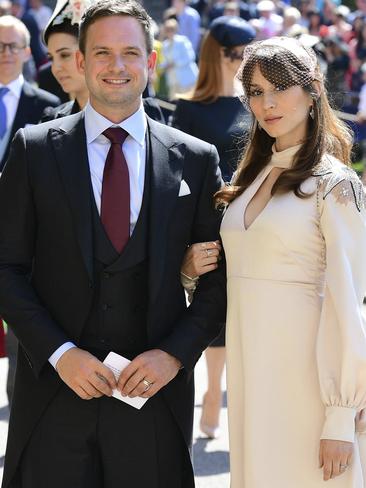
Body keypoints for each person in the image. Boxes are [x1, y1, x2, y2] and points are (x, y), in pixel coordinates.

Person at [0, 1, 226, 487]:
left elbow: (219, 283)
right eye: (101, 52)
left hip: (153, 402)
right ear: (80, 62)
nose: (116, 66)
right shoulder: (33, 148)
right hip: (52, 399)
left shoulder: (195, 159)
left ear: (151, 60)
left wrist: (174, 355)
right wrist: (60, 353)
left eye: (130, 52)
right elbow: (5, 267)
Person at [182, 36, 366, 487]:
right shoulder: (250, 179)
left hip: (307, 384)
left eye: (280, 87)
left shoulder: (334, 184)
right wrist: (189, 271)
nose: (268, 102)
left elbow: (349, 302)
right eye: (257, 91)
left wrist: (341, 416)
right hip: (251, 376)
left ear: (314, 88)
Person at [172, 15, 254, 439]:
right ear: (214, 53)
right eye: (236, 53)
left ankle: (224, 393)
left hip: (255, 225)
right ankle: (211, 391)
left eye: (248, 53)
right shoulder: (188, 108)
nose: (243, 61)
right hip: (210, 226)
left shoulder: (255, 104)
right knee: (214, 307)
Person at [41, 0, 166, 123]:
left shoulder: (151, 116)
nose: (56, 67)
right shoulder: (52, 122)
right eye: (51, 58)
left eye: (65, 55)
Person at [0, 15, 60, 172]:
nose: (6, 53)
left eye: (13, 46)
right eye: (0, 46)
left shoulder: (48, 105)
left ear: (27, 53)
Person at [160, 18, 198, 100]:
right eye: (167, 30)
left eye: (171, 29)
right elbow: (163, 62)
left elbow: (190, 57)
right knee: (175, 105)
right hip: (173, 81)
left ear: (176, 29)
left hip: (187, 79)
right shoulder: (165, 44)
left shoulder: (183, 41)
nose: (169, 32)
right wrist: (164, 66)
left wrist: (174, 64)